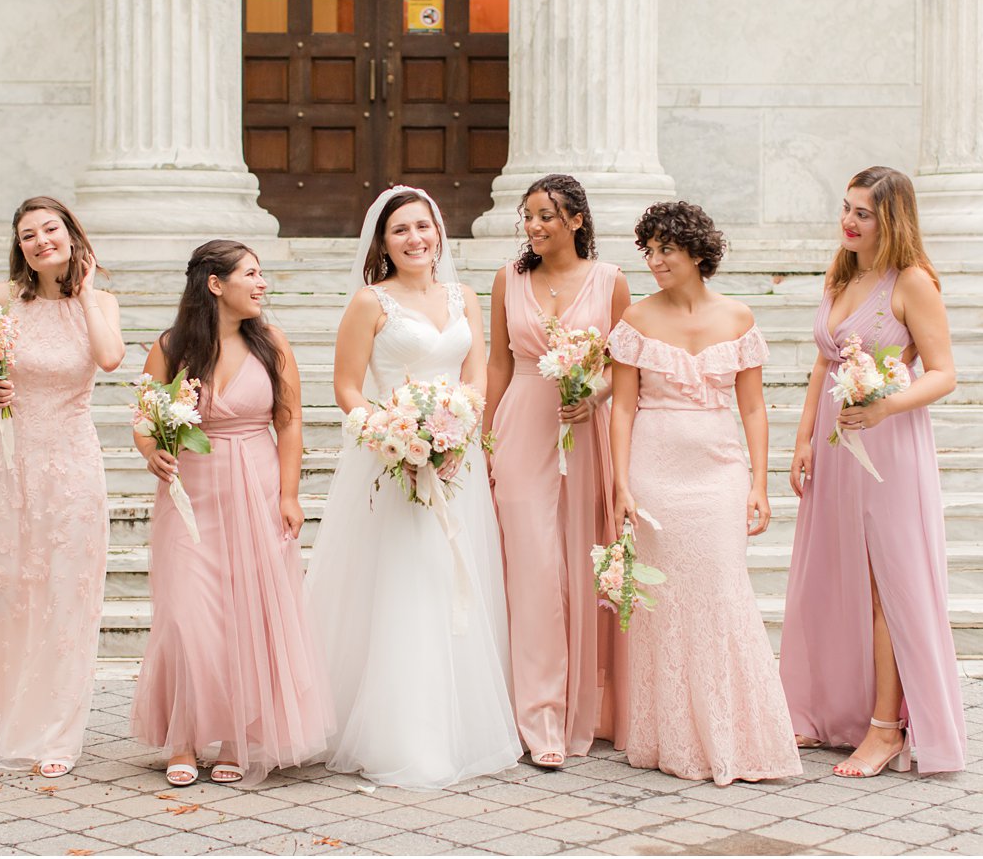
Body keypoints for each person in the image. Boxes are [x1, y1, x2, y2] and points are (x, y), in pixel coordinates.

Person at [304, 186, 521, 790]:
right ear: (383, 243)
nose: (415, 239)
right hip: (393, 458)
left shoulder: (465, 298)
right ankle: (401, 734)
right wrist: (389, 433)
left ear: (439, 233)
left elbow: (475, 371)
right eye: (400, 230)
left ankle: (459, 727)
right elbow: (347, 385)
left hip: (457, 461)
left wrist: (458, 428)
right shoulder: (370, 303)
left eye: (422, 227)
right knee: (405, 580)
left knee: (452, 577)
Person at [781, 166, 967, 777]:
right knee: (838, 576)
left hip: (888, 448)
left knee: (889, 584)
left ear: (891, 219)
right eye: (846, 208)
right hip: (838, 448)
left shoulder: (911, 282)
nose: (848, 222)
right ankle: (835, 708)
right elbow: (822, 363)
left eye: (863, 213)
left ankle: (888, 729)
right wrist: (805, 436)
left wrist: (885, 406)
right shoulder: (844, 273)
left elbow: (943, 372)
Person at [608, 201, 801, 786]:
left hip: (718, 473)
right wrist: (620, 484)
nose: (656, 261)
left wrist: (759, 485)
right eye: (649, 250)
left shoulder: (739, 318)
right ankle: (672, 738)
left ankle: (736, 733)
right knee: (665, 603)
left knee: (722, 591)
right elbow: (620, 409)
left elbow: (753, 408)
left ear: (697, 253)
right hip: (654, 472)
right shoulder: (636, 320)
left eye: (667, 249)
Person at [128, 240, 332, 786]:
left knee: (248, 615)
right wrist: (153, 452)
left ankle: (238, 738)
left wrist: (289, 495)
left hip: (257, 485)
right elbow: (144, 421)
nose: (262, 284)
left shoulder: (273, 344)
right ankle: (183, 737)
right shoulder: (171, 348)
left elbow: (289, 421)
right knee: (186, 614)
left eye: (261, 274)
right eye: (252, 274)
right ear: (216, 284)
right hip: (191, 495)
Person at [0, 195, 125, 778]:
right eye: (27, 235)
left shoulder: (103, 302)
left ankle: (55, 733)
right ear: (19, 248)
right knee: (10, 588)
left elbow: (111, 359)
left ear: (71, 234)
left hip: (71, 463)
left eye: (50, 230)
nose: (41, 241)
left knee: (65, 593)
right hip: (12, 464)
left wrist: (87, 293)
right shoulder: (0, 301)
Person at [485, 175, 630, 768]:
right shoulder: (507, 279)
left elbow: (626, 365)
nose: (535, 226)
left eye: (548, 216)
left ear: (576, 220)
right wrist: (484, 440)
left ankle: (592, 709)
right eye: (529, 216)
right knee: (534, 571)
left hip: (587, 437)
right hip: (522, 427)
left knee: (580, 567)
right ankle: (539, 715)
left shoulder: (612, 281)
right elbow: (497, 362)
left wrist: (595, 393)